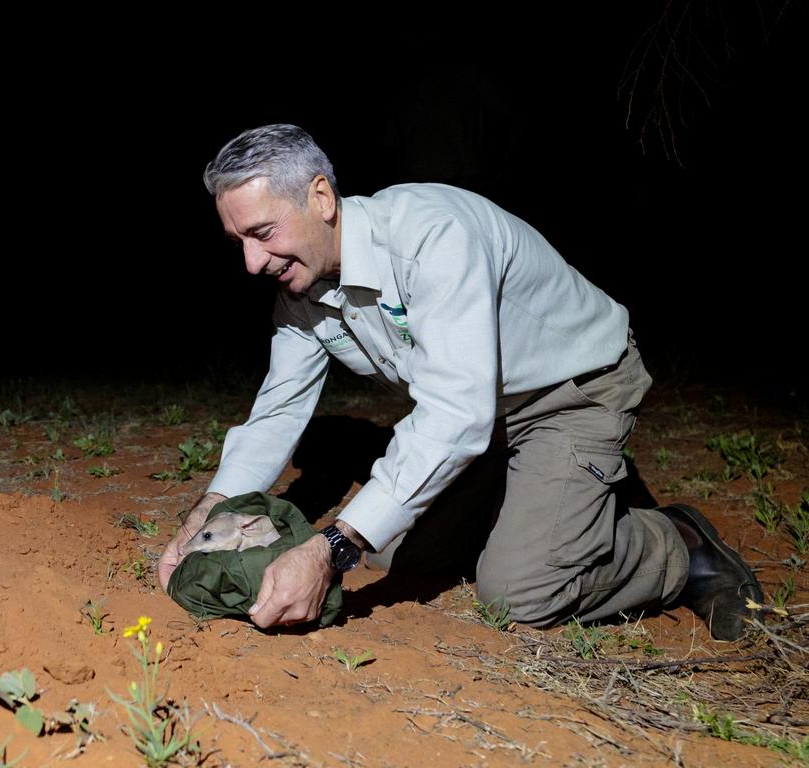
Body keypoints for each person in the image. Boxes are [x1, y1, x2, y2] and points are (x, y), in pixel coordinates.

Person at [157, 124, 762, 641]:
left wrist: (330, 549)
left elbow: (453, 415)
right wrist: (210, 514)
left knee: (519, 593)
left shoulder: (432, 237)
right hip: (489, 409)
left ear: (321, 197)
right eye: (237, 242)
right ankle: (534, 503)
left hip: (573, 389)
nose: (251, 263)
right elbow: (277, 413)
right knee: (394, 551)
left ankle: (677, 546)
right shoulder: (302, 287)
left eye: (263, 233)